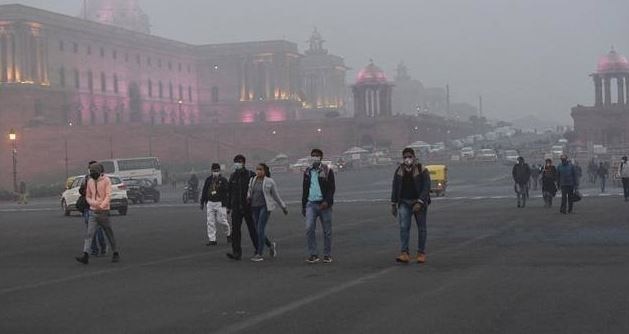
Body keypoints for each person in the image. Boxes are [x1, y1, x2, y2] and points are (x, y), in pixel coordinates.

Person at [226, 155, 273, 260]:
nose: (237, 164)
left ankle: (258, 250)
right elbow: (230, 192)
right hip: (236, 207)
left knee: (253, 229)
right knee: (235, 231)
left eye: (239, 161)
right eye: (235, 162)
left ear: (243, 163)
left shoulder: (250, 175)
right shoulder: (233, 176)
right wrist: (228, 207)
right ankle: (236, 253)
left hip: (249, 207)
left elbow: (264, 180)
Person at [391, 148, 431, 264]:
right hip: (404, 201)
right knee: (404, 227)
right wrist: (393, 204)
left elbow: (426, 187)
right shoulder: (399, 171)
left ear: (414, 157)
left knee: (422, 228)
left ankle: (421, 253)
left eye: (409, 156)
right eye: (405, 157)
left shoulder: (422, 170)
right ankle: (404, 253)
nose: (407, 159)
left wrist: (420, 202)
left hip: (419, 202)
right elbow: (395, 187)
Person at [76, 163, 120, 264]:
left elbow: (108, 195)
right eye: (91, 172)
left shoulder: (106, 181)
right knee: (89, 234)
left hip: (103, 211)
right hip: (93, 211)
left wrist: (102, 205)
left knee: (109, 233)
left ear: (100, 172)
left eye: (94, 172)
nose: (92, 174)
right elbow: (88, 195)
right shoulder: (90, 181)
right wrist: (93, 204)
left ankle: (115, 252)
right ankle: (86, 255)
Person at [247, 163, 288, 262]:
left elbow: (276, 195)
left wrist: (283, 206)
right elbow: (249, 191)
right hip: (254, 207)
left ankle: (259, 253)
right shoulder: (253, 180)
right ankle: (270, 245)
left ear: (265, 171)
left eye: (260, 169)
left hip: (265, 207)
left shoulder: (270, 181)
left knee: (260, 229)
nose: (258, 171)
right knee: (258, 231)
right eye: (257, 169)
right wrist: (248, 197)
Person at [302, 148, 336, 264]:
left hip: (324, 204)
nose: (314, 157)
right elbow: (305, 190)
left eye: (316, 155)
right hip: (311, 203)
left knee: (327, 231)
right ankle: (313, 254)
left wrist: (327, 201)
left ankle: (327, 255)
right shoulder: (307, 171)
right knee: (309, 228)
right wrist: (303, 205)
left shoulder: (327, 170)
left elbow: (332, 188)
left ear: (321, 157)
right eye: (313, 155)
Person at [78, 160, 107, 256]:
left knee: (98, 229)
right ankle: (94, 249)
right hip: (88, 206)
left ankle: (102, 247)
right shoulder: (86, 179)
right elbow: (81, 190)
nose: (91, 170)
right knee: (91, 231)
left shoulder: (103, 179)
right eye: (90, 168)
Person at [200, 163, 232, 246]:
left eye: (217, 171)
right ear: (211, 171)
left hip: (220, 203)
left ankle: (228, 234)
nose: (215, 172)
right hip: (210, 203)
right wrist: (202, 202)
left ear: (219, 171)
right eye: (214, 171)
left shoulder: (223, 180)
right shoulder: (208, 180)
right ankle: (212, 239)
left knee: (222, 221)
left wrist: (228, 206)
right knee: (210, 222)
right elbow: (204, 191)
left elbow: (228, 192)